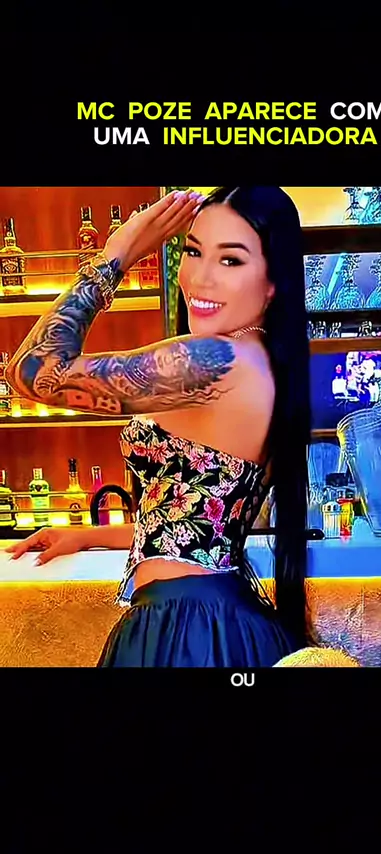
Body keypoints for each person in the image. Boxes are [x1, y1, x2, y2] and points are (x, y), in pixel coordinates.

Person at [5, 186, 313, 667]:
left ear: (273, 282)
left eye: (230, 260)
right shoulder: (267, 364)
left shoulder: (214, 360)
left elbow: (32, 372)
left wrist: (115, 257)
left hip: (186, 629)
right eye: (193, 252)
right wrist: (88, 535)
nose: (200, 278)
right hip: (217, 619)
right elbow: (189, 526)